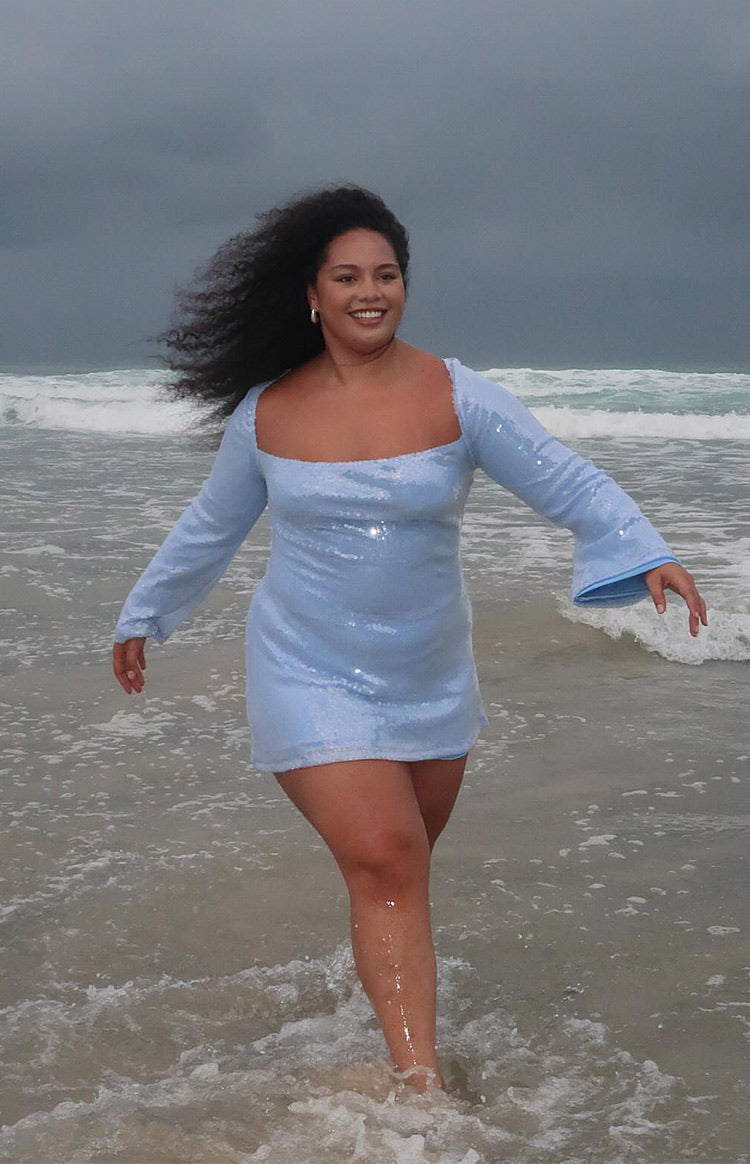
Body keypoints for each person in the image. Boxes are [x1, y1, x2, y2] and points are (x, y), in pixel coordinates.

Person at [112, 185, 707, 1092]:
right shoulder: (267, 412)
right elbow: (209, 528)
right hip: (307, 669)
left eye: (386, 275)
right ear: (312, 293)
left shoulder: (458, 396)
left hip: (430, 675)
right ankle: (418, 1091)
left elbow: (565, 477)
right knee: (389, 859)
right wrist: (145, 612)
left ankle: (377, 1018)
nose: (370, 292)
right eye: (348, 277)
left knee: (398, 872)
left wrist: (646, 548)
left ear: (405, 285)